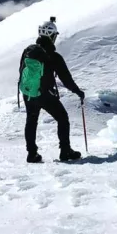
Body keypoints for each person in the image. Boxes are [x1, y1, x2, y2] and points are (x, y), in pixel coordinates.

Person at [18, 17, 84, 163]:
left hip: (28, 92)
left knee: (31, 120)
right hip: (45, 95)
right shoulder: (53, 56)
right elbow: (66, 79)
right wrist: (78, 92)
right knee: (62, 118)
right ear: (52, 36)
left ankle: (32, 154)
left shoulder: (27, 51)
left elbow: (21, 70)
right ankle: (65, 151)